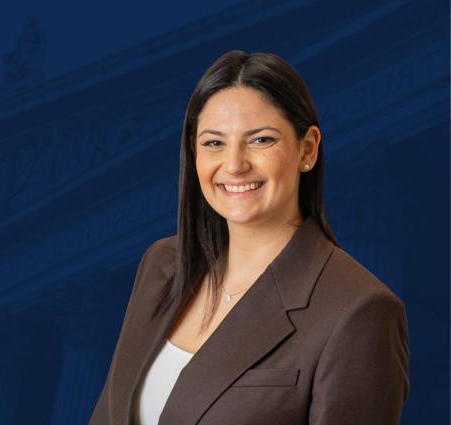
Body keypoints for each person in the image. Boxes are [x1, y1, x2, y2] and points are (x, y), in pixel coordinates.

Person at [89, 50, 410, 425]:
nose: (235, 165)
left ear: (307, 150)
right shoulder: (161, 265)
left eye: (260, 140)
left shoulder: (360, 312)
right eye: (213, 143)